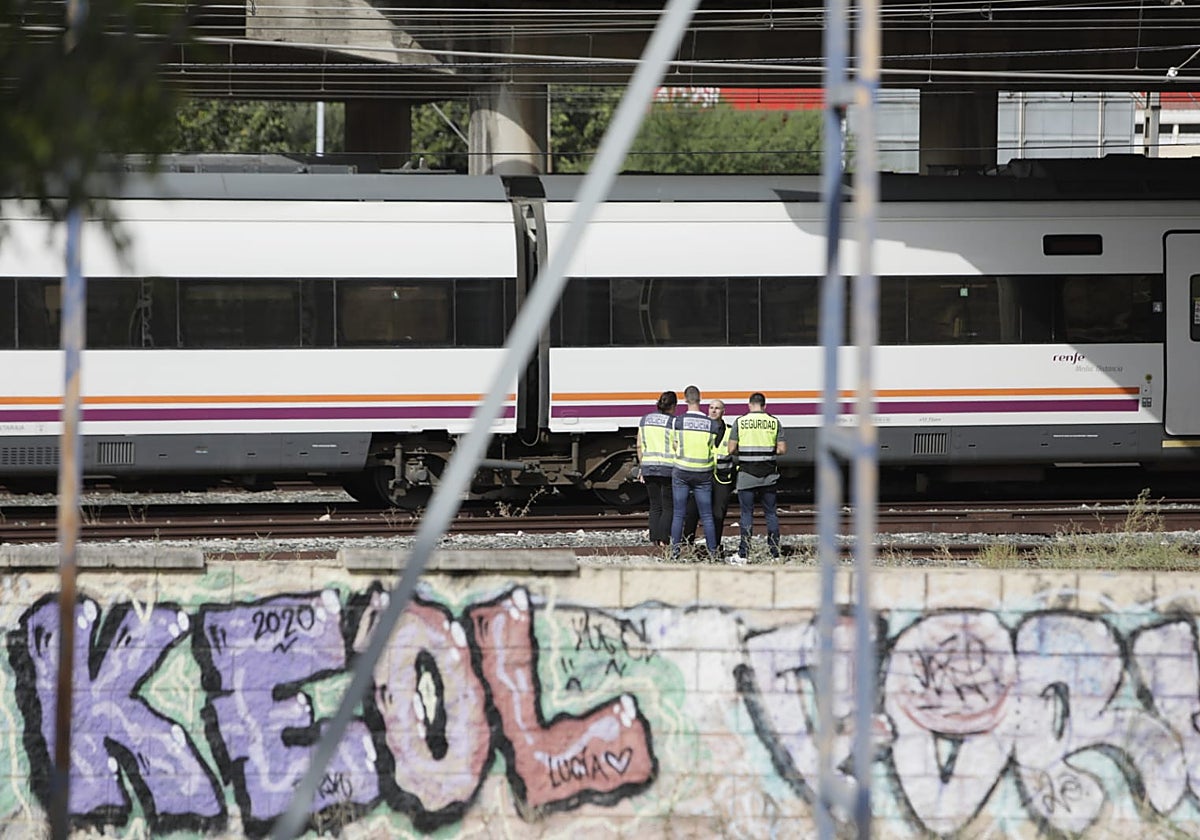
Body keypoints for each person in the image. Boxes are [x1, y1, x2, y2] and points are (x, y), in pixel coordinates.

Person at [727, 392, 787, 563]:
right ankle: (775, 554)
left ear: (749, 405)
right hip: (769, 476)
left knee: (746, 514)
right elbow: (782, 449)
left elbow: (731, 449)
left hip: (747, 474)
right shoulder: (774, 421)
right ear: (764, 406)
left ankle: (744, 554)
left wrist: (746, 451)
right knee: (771, 514)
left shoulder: (740, 421)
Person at [669, 385, 721, 560]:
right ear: (700, 400)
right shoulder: (712, 424)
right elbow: (711, 447)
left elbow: (674, 445)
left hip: (682, 471)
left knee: (678, 514)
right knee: (706, 515)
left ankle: (674, 553)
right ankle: (713, 553)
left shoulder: (677, 421)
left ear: (685, 400)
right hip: (703, 473)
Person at [682, 399, 734, 553]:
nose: (713, 411)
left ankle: (714, 547)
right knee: (692, 511)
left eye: (717, 408)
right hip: (701, 474)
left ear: (723, 411)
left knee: (718, 514)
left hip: (722, 479)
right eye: (711, 408)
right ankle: (687, 543)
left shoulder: (731, 431)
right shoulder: (701, 429)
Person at [637, 390, 677, 547]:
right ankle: (664, 540)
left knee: (655, 505)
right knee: (668, 506)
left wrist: (642, 465)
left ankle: (654, 539)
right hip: (667, 468)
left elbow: (639, 444)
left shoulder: (644, 420)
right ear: (673, 405)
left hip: (648, 466)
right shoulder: (673, 422)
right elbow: (676, 445)